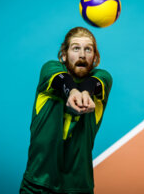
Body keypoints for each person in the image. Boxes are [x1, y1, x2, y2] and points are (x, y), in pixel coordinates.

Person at [20, 27, 113, 194]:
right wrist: (73, 92)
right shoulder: (50, 70)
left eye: (88, 49)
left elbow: (93, 83)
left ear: (95, 58)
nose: (82, 55)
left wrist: (85, 92)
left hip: (78, 187)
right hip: (37, 183)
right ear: (64, 55)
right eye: (76, 48)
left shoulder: (103, 78)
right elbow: (62, 80)